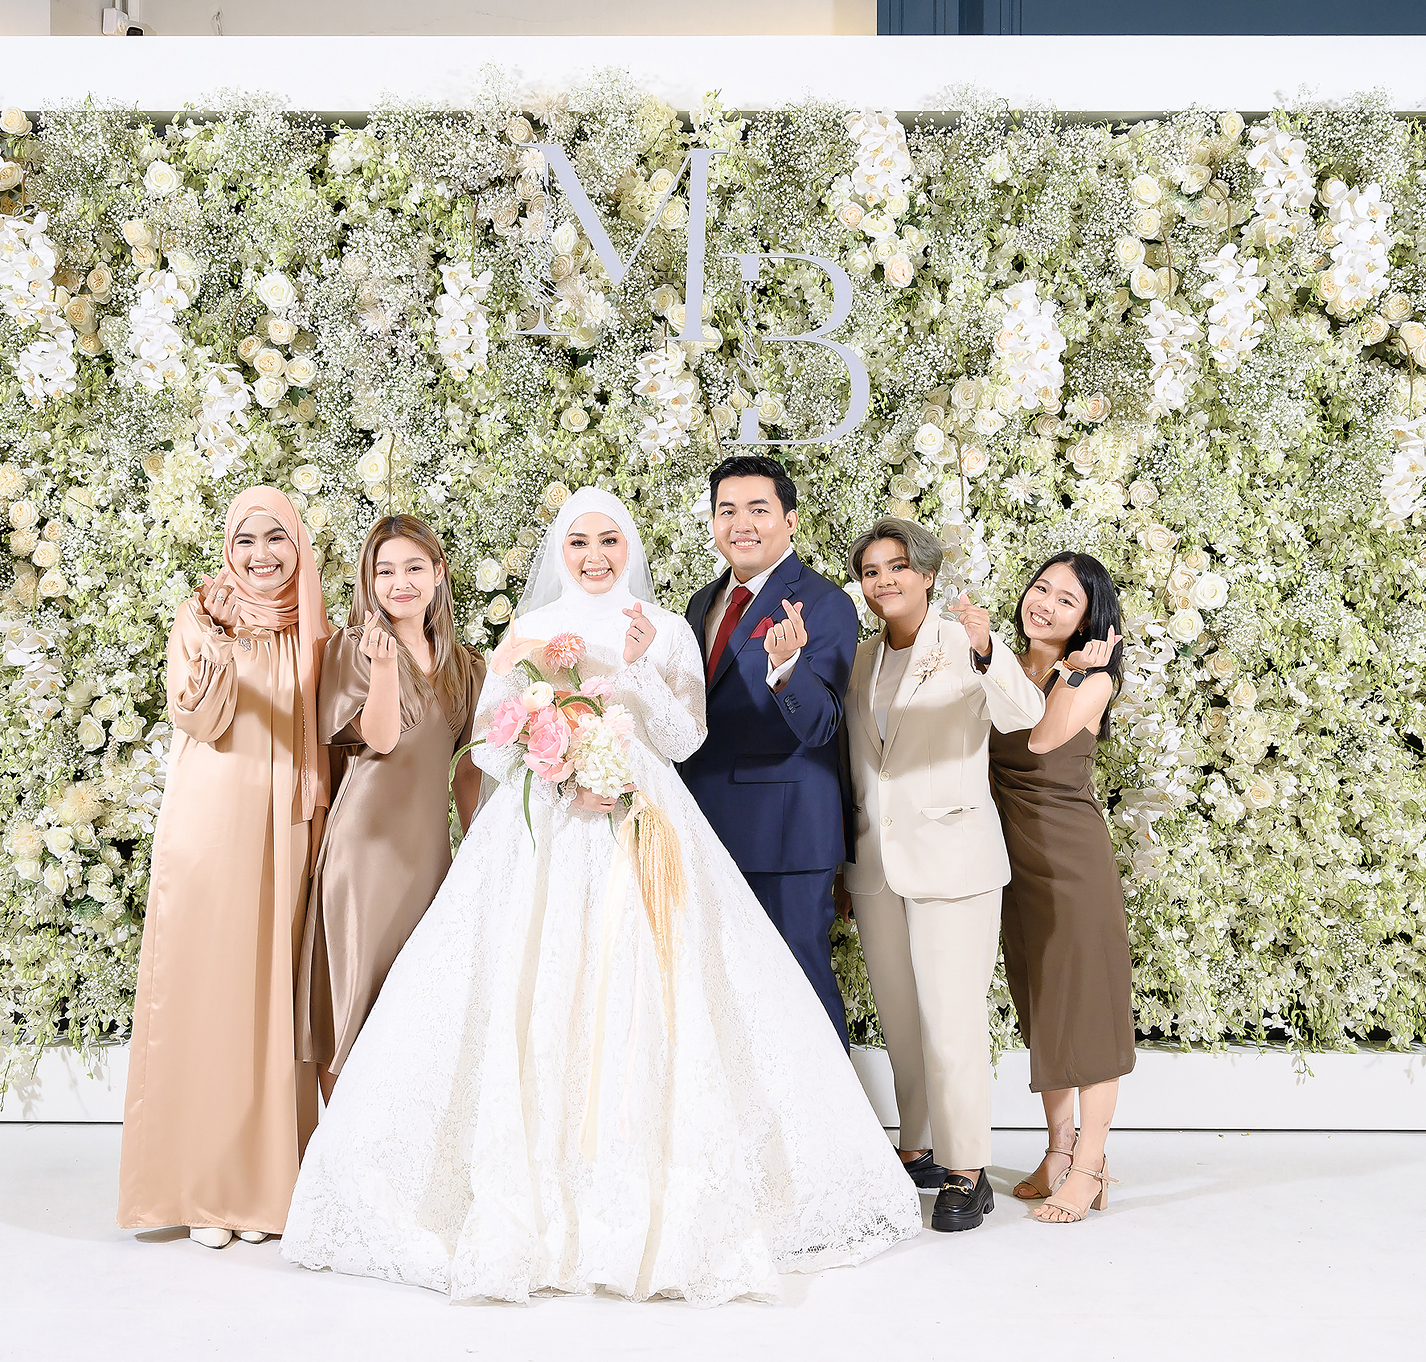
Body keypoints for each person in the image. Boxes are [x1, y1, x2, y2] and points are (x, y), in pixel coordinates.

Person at [279, 488, 919, 1305]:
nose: (593, 555)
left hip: (643, 824)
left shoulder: (668, 626)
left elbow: (684, 739)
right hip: (545, 834)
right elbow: (491, 749)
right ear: (562, 550)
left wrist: (643, 669)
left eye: (609, 540)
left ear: (629, 547)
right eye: (579, 541)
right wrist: (557, 756)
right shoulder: (528, 629)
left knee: (651, 991)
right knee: (539, 987)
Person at [118, 486, 331, 1249]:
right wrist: (214, 639)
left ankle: (264, 1189)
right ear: (228, 549)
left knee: (271, 1002)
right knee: (209, 994)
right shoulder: (200, 616)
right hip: (214, 826)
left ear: (298, 548)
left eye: (277, 538)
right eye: (246, 539)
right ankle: (205, 1192)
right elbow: (198, 716)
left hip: (289, 830)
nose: (262, 554)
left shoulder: (314, 627)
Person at [838, 518, 1047, 1233]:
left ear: (927, 575)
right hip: (876, 866)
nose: (884, 580)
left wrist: (989, 650)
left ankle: (968, 1170)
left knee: (951, 1022)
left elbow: (1024, 714)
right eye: (871, 571)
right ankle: (919, 1147)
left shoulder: (962, 643)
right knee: (900, 1020)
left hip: (954, 860)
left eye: (898, 566)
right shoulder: (863, 658)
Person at [297, 515, 484, 1104]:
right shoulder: (353, 648)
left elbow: (467, 770)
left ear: (438, 573)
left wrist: (477, 848)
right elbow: (378, 738)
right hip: (367, 850)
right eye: (385, 571)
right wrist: (383, 669)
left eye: (413, 568)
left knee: (412, 1007)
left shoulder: (465, 666)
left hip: (428, 857)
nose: (400, 583)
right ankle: (338, 1152)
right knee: (356, 998)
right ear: (369, 580)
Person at [678, 455, 859, 1041]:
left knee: (799, 982)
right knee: (723, 991)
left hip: (784, 833)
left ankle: (831, 1105)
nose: (742, 524)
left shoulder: (825, 602)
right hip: (704, 825)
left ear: (790, 521)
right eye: (726, 510)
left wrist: (785, 669)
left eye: (758, 509)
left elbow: (822, 724)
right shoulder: (702, 603)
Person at [990, 552, 1132, 1224]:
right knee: (1043, 1007)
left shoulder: (1092, 680)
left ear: (1087, 621)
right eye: (1040, 588)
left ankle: (1091, 1166)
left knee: (1088, 1016)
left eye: (1066, 600)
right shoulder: (999, 666)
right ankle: (1057, 1152)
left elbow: (1043, 739)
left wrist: (1072, 674)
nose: (1043, 604)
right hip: (1013, 863)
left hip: (1071, 863)